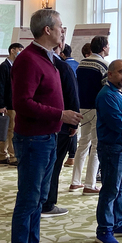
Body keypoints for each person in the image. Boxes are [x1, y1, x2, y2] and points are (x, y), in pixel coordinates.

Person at [9, 9, 81, 243]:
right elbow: (23, 102)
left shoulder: (47, 58)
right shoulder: (28, 60)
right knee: (27, 202)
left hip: (46, 137)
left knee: (38, 201)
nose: (64, 30)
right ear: (47, 30)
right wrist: (60, 115)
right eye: (60, 27)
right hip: (33, 139)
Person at [93, 59, 122, 243]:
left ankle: (118, 223)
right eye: (121, 71)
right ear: (110, 74)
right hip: (113, 148)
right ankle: (104, 229)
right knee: (110, 190)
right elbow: (119, 124)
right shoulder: (107, 95)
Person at [40, 42, 80, 218]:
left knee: (43, 165)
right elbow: (72, 94)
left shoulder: (36, 63)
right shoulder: (62, 67)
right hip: (61, 122)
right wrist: (74, 123)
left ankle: (41, 201)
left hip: (40, 123)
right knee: (54, 165)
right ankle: (47, 203)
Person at [71, 37, 109, 194]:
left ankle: (75, 181)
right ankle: (90, 184)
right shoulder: (104, 65)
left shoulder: (82, 64)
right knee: (96, 146)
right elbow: (107, 89)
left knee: (83, 144)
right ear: (104, 48)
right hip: (95, 109)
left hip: (82, 108)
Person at [0, 43, 23, 166]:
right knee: (11, 130)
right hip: (8, 103)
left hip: (13, 102)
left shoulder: (16, 66)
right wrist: (1, 104)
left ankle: (2, 155)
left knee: (7, 130)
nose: (21, 52)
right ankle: (13, 157)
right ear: (12, 50)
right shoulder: (4, 67)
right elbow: (0, 87)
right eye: (19, 49)